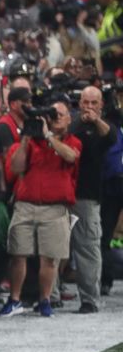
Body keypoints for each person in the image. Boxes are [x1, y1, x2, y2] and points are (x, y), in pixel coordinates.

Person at [0, 99, 81, 317]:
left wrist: (48, 136)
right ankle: (15, 299)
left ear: (69, 119)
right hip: (26, 205)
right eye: (52, 115)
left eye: (59, 115)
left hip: (55, 208)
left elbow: (71, 156)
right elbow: (16, 168)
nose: (55, 119)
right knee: (18, 253)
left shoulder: (73, 141)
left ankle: (45, 300)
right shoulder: (30, 142)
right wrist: (26, 138)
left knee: (50, 258)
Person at [69, 86, 117, 313]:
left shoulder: (103, 128)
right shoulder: (71, 124)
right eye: (85, 102)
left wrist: (96, 120)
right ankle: (51, 296)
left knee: (88, 248)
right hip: (62, 193)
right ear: (79, 103)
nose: (88, 107)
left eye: (93, 103)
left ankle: (89, 299)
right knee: (56, 249)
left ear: (100, 105)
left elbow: (111, 136)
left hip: (87, 196)